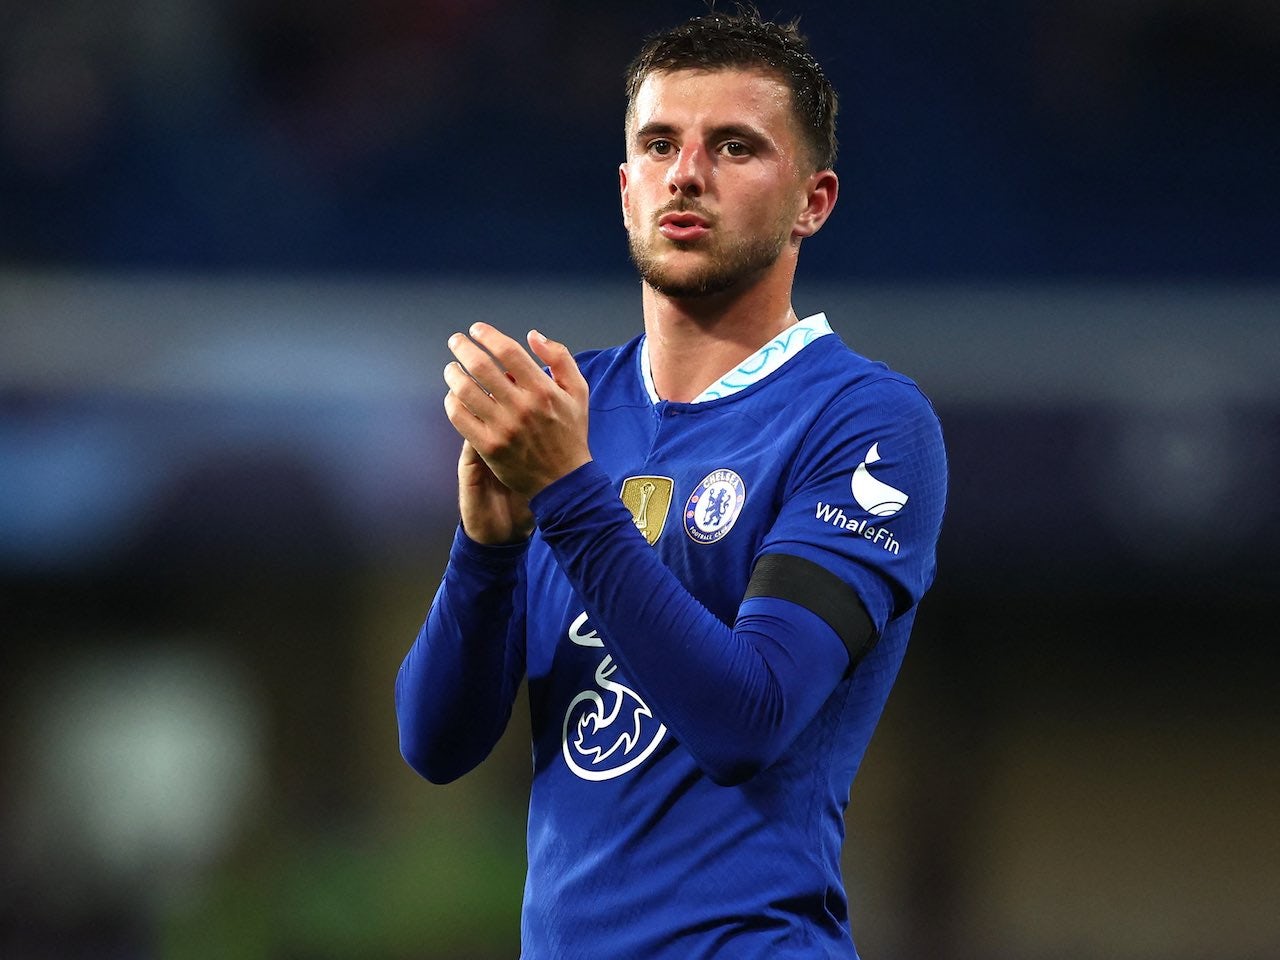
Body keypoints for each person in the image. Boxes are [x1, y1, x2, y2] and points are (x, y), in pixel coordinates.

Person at [396, 7, 947, 958]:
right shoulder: (572, 410)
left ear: (813, 202)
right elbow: (435, 745)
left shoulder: (866, 423)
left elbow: (746, 720)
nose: (686, 173)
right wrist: (486, 550)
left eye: (734, 146)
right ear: (625, 190)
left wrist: (568, 493)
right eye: (659, 145)